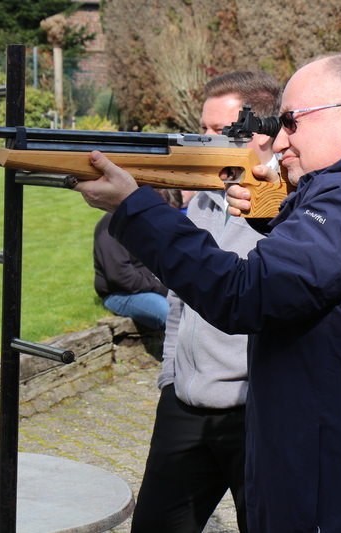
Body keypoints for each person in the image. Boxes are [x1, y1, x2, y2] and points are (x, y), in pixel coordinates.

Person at [76, 53, 341, 532]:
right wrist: (278, 210)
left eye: (292, 122)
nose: (280, 141)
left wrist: (134, 208)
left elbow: (242, 294)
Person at [131, 71, 282, 533]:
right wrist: (170, 376)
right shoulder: (202, 201)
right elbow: (180, 296)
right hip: (185, 403)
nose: (203, 139)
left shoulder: (288, 209)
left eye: (219, 129)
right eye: (203, 126)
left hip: (256, 413)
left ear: (260, 131)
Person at [92, 189, 180, 330]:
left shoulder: (149, 224)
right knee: (171, 315)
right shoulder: (113, 222)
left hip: (154, 289)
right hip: (121, 293)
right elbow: (120, 274)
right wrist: (163, 291)